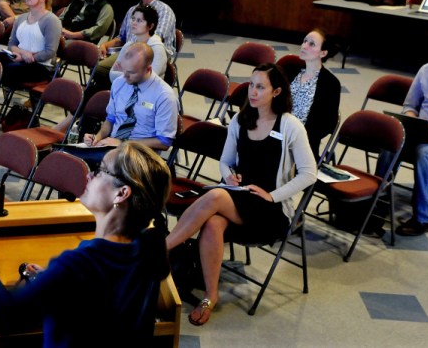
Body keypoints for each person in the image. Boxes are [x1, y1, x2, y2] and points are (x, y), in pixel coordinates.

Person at [0, 142, 171, 347]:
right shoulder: (150, 248)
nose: (89, 176)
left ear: (121, 194)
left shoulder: (78, 264)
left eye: (100, 170)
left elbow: (1, 316)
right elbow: (101, 299)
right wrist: (49, 281)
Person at [165, 63, 316, 326]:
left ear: (277, 92)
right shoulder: (240, 119)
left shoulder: (291, 126)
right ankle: (211, 296)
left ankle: (161, 249)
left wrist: (273, 195)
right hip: (239, 197)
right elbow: (225, 161)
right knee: (213, 221)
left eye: (260, 87)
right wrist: (228, 176)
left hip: (270, 210)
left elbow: (309, 174)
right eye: (251, 85)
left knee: (213, 198)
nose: (252, 92)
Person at [54, 5, 168, 135]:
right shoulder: (129, 45)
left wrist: (123, 72)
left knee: (99, 91)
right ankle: (80, 131)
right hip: (124, 87)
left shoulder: (157, 49)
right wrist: (128, 74)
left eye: (139, 20)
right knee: (93, 90)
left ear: (150, 26)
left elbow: (147, 79)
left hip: (144, 94)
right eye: (133, 19)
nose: (134, 23)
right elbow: (112, 73)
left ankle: (69, 128)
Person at [64, 42, 177, 167]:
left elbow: (164, 142)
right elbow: (110, 120)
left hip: (141, 156)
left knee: (94, 169)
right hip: (112, 147)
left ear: (148, 69)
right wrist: (98, 138)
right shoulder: (119, 83)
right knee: (67, 158)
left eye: (131, 72)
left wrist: (122, 143)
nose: (125, 76)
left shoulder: (164, 96)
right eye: (124, 70)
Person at [391, 35, 428, 236]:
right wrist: (412, 120)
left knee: (424, 153)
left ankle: (424, 218)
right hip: (422, 131)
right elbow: (410, 106)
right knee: (392, 140)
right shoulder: (427, 70)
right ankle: (377, 198)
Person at [0, 0, 61, 104]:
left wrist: (28, 57)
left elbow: (50, 51)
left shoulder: (51, 20)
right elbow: (12, 44)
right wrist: (22, 54)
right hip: (20, 58)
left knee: (7, 69)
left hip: (40, 65)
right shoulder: (21, 18)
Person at [94, 0, 176, 83]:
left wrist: (127, 65)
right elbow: (121, 38)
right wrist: (105, 45)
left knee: (101, 71)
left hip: (152, 54)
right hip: (129, 50)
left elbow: (156, 38)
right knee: (97, 69)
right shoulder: (133, 10)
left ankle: (118, 91)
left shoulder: (165, 11)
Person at [292, 29, 341, 157]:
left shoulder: (331, 83)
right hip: (275, 132)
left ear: (323, 53)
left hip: (304, 143)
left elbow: (328, 124)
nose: (304, 46)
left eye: (311, 44)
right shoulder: (289, 71)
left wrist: (297, 135)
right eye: (304, 41)